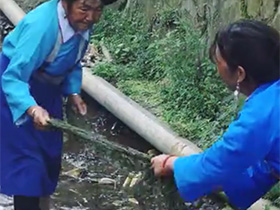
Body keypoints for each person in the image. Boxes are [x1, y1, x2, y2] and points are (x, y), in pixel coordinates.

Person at [151, 20, 280, 209]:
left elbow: (219, 163)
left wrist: (172, 164)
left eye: (218, 62)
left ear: (240, 73)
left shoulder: (262, 114)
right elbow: (269, 164)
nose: (216, 69)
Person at [0, 0, 104, 209]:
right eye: (84, 8)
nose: (91, 17)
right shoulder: (41, 28)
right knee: (28, 166)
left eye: (97, 9)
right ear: (66, 3)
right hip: (15, 91)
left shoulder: (82, 24)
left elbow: (73, 61)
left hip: (48, 92)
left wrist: (73, 92)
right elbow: (13, 78)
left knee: (49, 157)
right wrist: (31, 108)